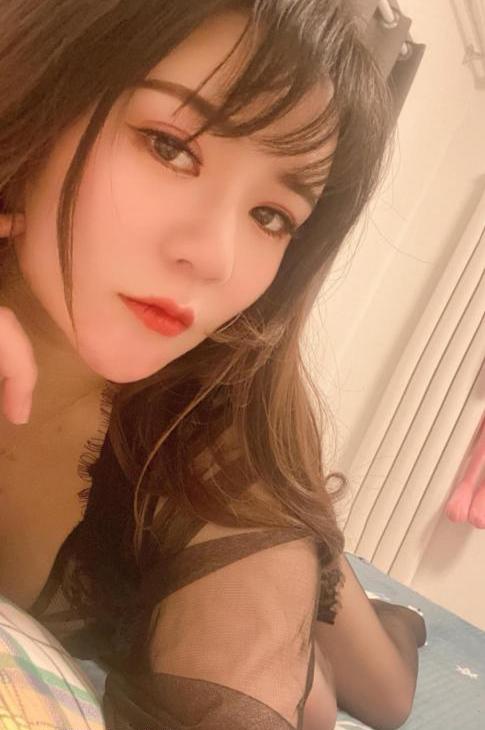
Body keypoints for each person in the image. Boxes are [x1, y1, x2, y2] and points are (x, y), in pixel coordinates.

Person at [0, 1, 426, 728]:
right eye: (170, 147)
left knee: (374, 697)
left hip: (215, 429)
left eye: (271, 216)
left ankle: (344, 584)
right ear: (45, 100)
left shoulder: (216, 427)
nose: (215, 257)